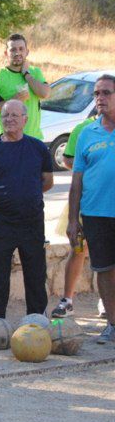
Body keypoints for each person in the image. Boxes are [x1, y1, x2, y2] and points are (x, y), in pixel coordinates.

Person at [0, 100, 53, 324]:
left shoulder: (37, 147)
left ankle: (37, 320)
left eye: (15, 115)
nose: (10, 119)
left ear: (25, 119)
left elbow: (47, 181)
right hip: (2, 223)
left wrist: (27, 195)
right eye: (5, 115)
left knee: (35, 274)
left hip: (32, 221)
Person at [67, 74, 115, 344]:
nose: (100, 98)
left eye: (106, 93)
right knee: (104, 269)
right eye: (97, 94)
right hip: (96, 213)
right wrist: (73, 220)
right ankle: (112, 323)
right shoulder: (86, 133)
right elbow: (76, 181)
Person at [51, 112, 102, 318]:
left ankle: (106, 302)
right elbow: (68, 159)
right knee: (78, 248)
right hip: (86, 201)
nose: (102, 99)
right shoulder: (83, 129)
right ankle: (67, 299)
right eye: (98, 94)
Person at [0, 34, 51, 140]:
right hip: (8, 141)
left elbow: (45, 93)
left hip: (34, 140)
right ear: (6, 53)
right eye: (13, 50)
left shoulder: (35, 72)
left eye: (21, 49)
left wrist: (26, 74)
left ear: (27, 52)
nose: (17, 53)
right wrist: (13, 100)